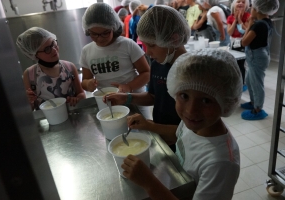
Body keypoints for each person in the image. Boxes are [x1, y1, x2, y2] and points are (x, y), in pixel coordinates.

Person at [122, 49, 242, 200]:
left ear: (226, 102)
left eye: (206, 100)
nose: (191, 110)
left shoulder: (220, 163)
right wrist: (148, 125)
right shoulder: (197, 125)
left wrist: (149, 182)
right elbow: (180, 134)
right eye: (184, 95)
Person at [105, 5, 190, 152]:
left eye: (151, 45)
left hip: (184, 146)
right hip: (163, 138)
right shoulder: (159, 62)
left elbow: (191, 132)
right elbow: (153, 96)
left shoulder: (190, 72)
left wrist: (150, 126)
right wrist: (126, 98)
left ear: (173, 39)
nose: (147, 52)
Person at [80, 3, 150, 118]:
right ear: (88, 31)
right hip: (107, 104)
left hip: (134, 99)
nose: (99, 38)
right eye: (94, 34)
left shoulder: (127, 45)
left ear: (113, 27)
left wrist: (129, 86)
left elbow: (147, 73)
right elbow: (85, 81)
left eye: (105, 33)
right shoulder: (87, 51)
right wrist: (88, 84)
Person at [16, 27, 86, 110]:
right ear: (35, 55)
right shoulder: (30, 75)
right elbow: (29, 109)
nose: (54, 50)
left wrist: (77, 99)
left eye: (53, 44)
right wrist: (28, 101)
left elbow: (81, 94)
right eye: (47, 49)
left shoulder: (69, 67)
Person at [240, 0, 279, 120]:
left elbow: (244, 42)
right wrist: (250, 25)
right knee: (250, 80)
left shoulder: (258, 25)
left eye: (252, 7)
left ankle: (258, 109)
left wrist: (250, 24)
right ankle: (253, 102)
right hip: (259, 55)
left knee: (257, 84)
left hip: (257, 57)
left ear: (257, 9)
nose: (250, 9)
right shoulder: (266, 22)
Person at [227, 0, 250, 92]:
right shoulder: (230, 17)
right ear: (234, 5)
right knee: (235, 63)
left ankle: (243, 82)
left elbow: (247, 30)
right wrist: (235, 20)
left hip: (243, 42)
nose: (240, 3)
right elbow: (229, 32)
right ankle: (237, 81)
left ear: (246, 6)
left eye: (243, 2)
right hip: (234, 42)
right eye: (238, 1)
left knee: (242, 64)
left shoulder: (248, 16)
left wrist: (240, 20)